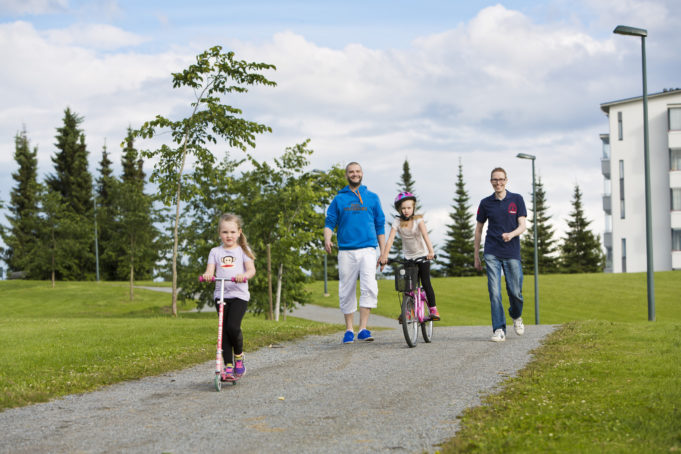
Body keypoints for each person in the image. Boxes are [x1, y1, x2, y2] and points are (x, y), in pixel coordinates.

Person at [324, 162, 386, 344]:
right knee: (347, 288)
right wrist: (327, 238)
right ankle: (349, 329)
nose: (355, 174)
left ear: (362, 174)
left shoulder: (372, 198)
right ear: (346, 175)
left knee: (369, 286)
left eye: (357, 171)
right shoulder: (339, 199)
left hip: (368, 249)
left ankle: (363, 329)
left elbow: (380, 225)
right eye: (351, 172)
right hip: (346, 251)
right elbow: (329, 222)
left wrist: (383, 253)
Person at [474, 167, 527, 342]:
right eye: (495, 180)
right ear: (491, 182)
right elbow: (479, 229)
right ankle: (499, 329)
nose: (498, 182)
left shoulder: (517, 199)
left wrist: (511, 235)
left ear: (506, 180)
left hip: (512, 252)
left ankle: (516, 315)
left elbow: (522, 226)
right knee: (494, 291)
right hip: (492, 252)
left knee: (515, 292)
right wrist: (476, 255)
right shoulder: (485, 203)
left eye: (501, 179)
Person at [203, 213, 256, 380]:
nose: (229, 236)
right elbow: (210, 269)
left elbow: (251, 270)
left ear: (239, 232)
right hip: (221, 295)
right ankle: (227, 366)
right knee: (223, 331)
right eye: (225, 232)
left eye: (232, 232)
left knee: (233, 327)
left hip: (239, 295)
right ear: (219, 233)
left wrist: (244, 276)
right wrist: (207, 275)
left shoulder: (243, 251)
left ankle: (239, 357)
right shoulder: (215, 252)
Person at [379, 192, 440, 321]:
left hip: (422, 256)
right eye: (403, 208)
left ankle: (433, 309)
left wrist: (431, 252)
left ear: (413, 208)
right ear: (399, 209)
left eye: (409, 208)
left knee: (426, 282)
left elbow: (425, 235)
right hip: (409, 257)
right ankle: (407, 311)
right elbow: (390, 240)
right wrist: (384, 257)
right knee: (408, 286)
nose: (406, 211)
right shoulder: (397, 221)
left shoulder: (418, 219)